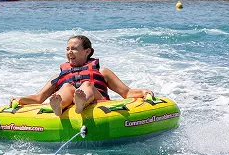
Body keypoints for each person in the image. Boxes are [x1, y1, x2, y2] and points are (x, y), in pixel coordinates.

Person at [11, 35, 153, 116]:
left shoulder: (102, 72)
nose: (69, 52)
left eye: (74, 49)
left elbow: (126, 92)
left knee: (87, 84)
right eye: (67, 49)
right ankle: (59, 106)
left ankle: (82, 101)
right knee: (66, 86)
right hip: (71, 102)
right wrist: (21, 99)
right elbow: (38, 98)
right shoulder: (59, 76)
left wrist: (142, 91)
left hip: (98, 103)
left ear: (87, 51)